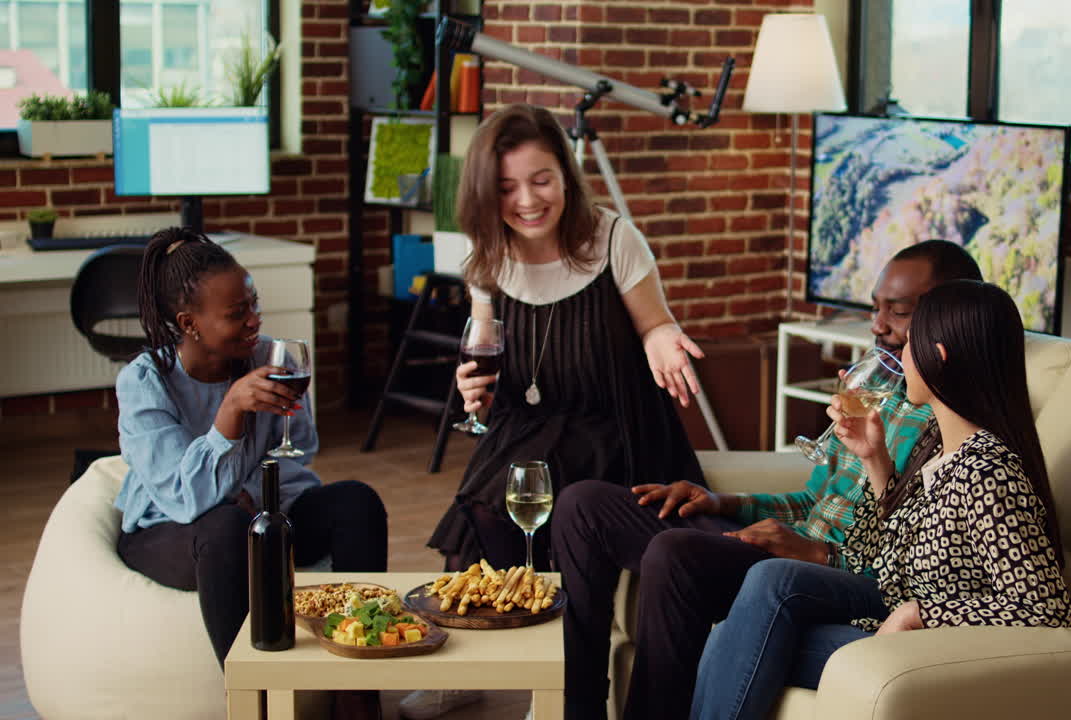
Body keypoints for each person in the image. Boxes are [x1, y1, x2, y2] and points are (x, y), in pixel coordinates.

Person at [550, 241, 984, 720]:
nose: (878, 325)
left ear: (948, 316)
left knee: (676, 554)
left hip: (822, 573)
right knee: (584, 505)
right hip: (791, 545)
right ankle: (579, 707)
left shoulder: (948, 427)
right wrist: (724, 502)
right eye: (875, 308)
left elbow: (907, 556)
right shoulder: (875, 387)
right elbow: (812, 502)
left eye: (897, 312)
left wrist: (816, 551)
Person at [689, 280, 1071, 720]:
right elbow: (885, 559)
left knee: (747, 621)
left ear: (938, 357)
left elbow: (1045, 606)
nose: (901, 358)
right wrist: (876, 462)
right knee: (753, 605)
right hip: (894, 614)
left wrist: (923, 613)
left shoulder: (986, 471)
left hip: (932, 647)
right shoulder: (943, 449)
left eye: (910, 345)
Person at [115, 227, 388, 717]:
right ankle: (255, 702)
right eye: (237, 313)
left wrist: (259, 483)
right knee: (226, 527)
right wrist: (230, 413)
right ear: (189, 322)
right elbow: (183, 497)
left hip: (258, 514)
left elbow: (298, 450)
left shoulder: (267, 360)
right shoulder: (145, 381)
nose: (254, 322)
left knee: (356, 502)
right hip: (170, 530)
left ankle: (357, 696)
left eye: (253, 304)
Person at [426, 103, 705, 572]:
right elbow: (485, 350)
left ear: (566, 176)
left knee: (505, 503)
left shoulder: (615, 238)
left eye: (541, 180)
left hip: (615, 428)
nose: (528, 201)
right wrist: (476, 391)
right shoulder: (487, 255)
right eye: (506, 188)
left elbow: (655, 324)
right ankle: (515, 631)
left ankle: (536, 620)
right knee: (479, 517)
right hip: (528, 428)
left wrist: (662, 337)